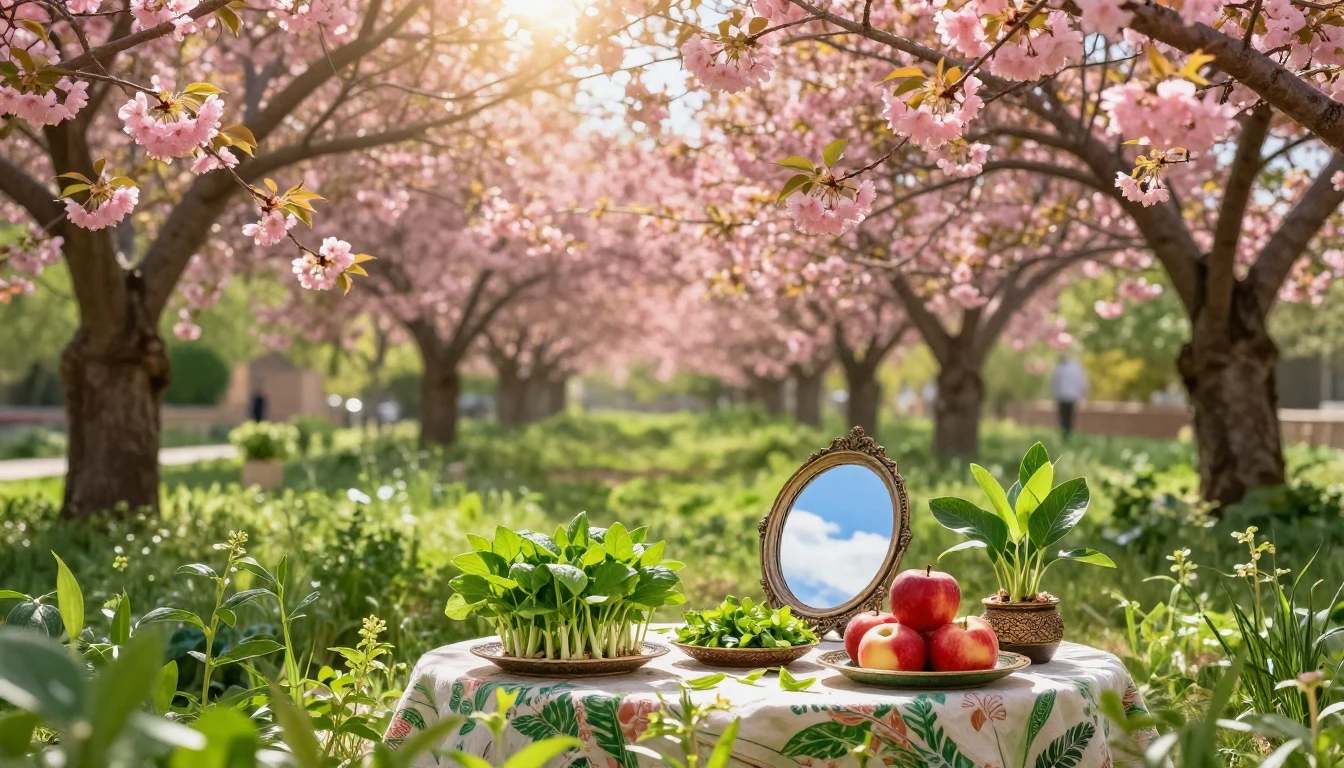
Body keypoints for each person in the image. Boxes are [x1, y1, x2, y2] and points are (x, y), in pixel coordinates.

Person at [1050, 354, 1088, 440]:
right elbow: (1083, 383)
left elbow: (1055, 384)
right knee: (1070, 417)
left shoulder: (1059, 369)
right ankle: (1068, 434)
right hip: (1071, 397)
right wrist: (1083, 397)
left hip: (1062, 397)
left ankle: (1065, 434)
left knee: (1063, 418)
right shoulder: (1077, 369)